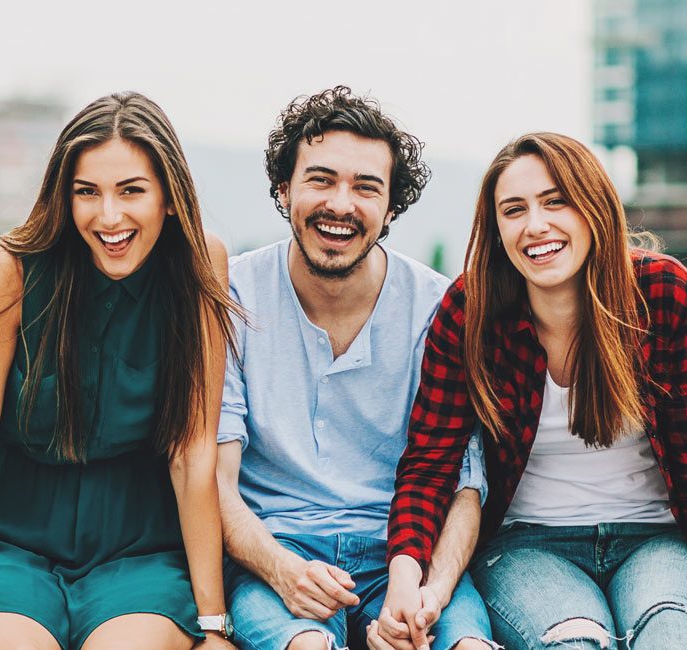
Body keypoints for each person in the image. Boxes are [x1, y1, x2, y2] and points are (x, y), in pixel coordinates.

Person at [387, 132, 687, 650]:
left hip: (656, 540)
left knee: (671, 640)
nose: (536, 226)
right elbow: (430, 463)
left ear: (595, 206)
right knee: (573, 644)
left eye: (556, 201)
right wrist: (407, 570)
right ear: (496, 229)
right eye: (514, 210)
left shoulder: (666, 296)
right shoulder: (471, 311)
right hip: (525, 546)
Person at [0, 92, 237, 650]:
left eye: (131, 190)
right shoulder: (10, 269)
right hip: (12, 544)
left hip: (139, 549)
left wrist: (212, 625)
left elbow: (193, 453)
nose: (108, 216)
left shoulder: (200, 262)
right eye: (86, 192)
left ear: (168, 197)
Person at [217, 86, 494, 650]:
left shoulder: (439, 309)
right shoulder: (231, 299)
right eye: (320, 179)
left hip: (404, 554)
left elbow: (466, 484)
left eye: (366, 188)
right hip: (277, 551)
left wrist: (429, 593)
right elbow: (213, 479)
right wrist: (279, 569)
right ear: (283, 187)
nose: (341, 205)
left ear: (390, 208)